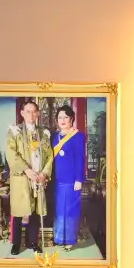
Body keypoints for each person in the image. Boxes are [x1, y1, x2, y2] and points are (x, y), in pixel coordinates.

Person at [6, 100, 53, 256]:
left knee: (35, 212)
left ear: (38, 113)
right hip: (22, 177)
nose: (31, 114)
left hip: (38, 178)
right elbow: (11, 154)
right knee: (19, 210)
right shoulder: (15, 131)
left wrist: (44, 173)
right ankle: (16, 243)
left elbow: (49, 156)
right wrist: (26, 169)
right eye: (28, 111)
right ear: (22, 113)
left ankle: (32, 242)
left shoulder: (44, 133)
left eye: (34, 111)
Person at [51, 105, 86, 252]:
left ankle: (70, 240)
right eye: (60, 117)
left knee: (70, 210)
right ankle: (60, 238)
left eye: (66, 117)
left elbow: (80, 158)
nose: (63, 120)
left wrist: (79, 179)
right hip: (57, 180)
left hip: (71, 180)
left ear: (72, 119)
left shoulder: (78, 136)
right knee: (59, 210)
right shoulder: (55, 137)